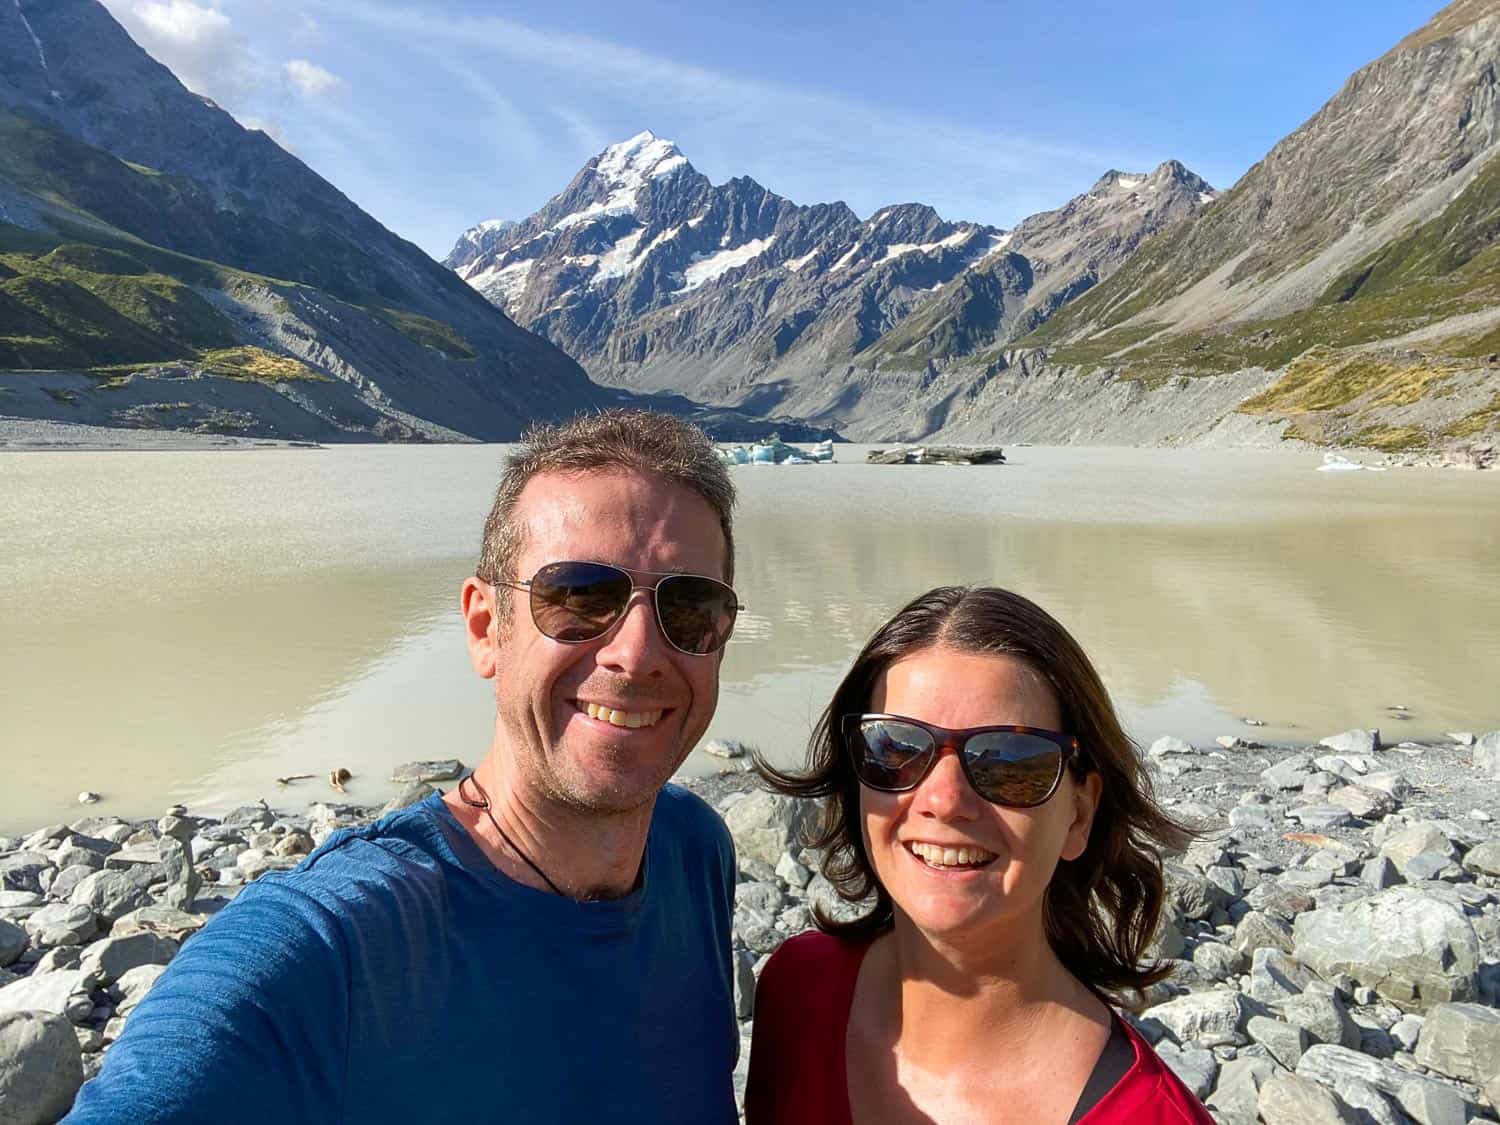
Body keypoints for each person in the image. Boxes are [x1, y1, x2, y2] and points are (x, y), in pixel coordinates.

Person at [67, 409, 744, 1123]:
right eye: (578, 597)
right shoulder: (332, 946)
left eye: (690, 607)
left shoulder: (692, 853)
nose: (635, 652)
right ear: (486, 627)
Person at [746, 586, 1213, 1125]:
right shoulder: (798, 992)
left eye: (1009, 761)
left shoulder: (1149, 1116)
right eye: (894, 750)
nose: (944, 801)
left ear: (1079, 814)